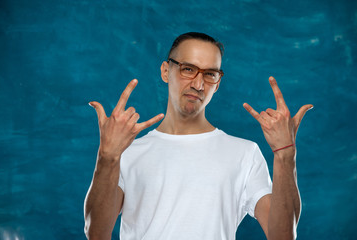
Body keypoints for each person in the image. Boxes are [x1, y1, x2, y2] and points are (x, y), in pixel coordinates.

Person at [84, 32, 313, 240]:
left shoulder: (244, 153)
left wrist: (286, 156)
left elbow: (282, 236)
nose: (198, 84)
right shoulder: (127, 152)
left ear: (218, 82)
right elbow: (96, 234)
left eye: (210, 74)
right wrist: (107, 157)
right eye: (188, 69)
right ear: (166, 71)